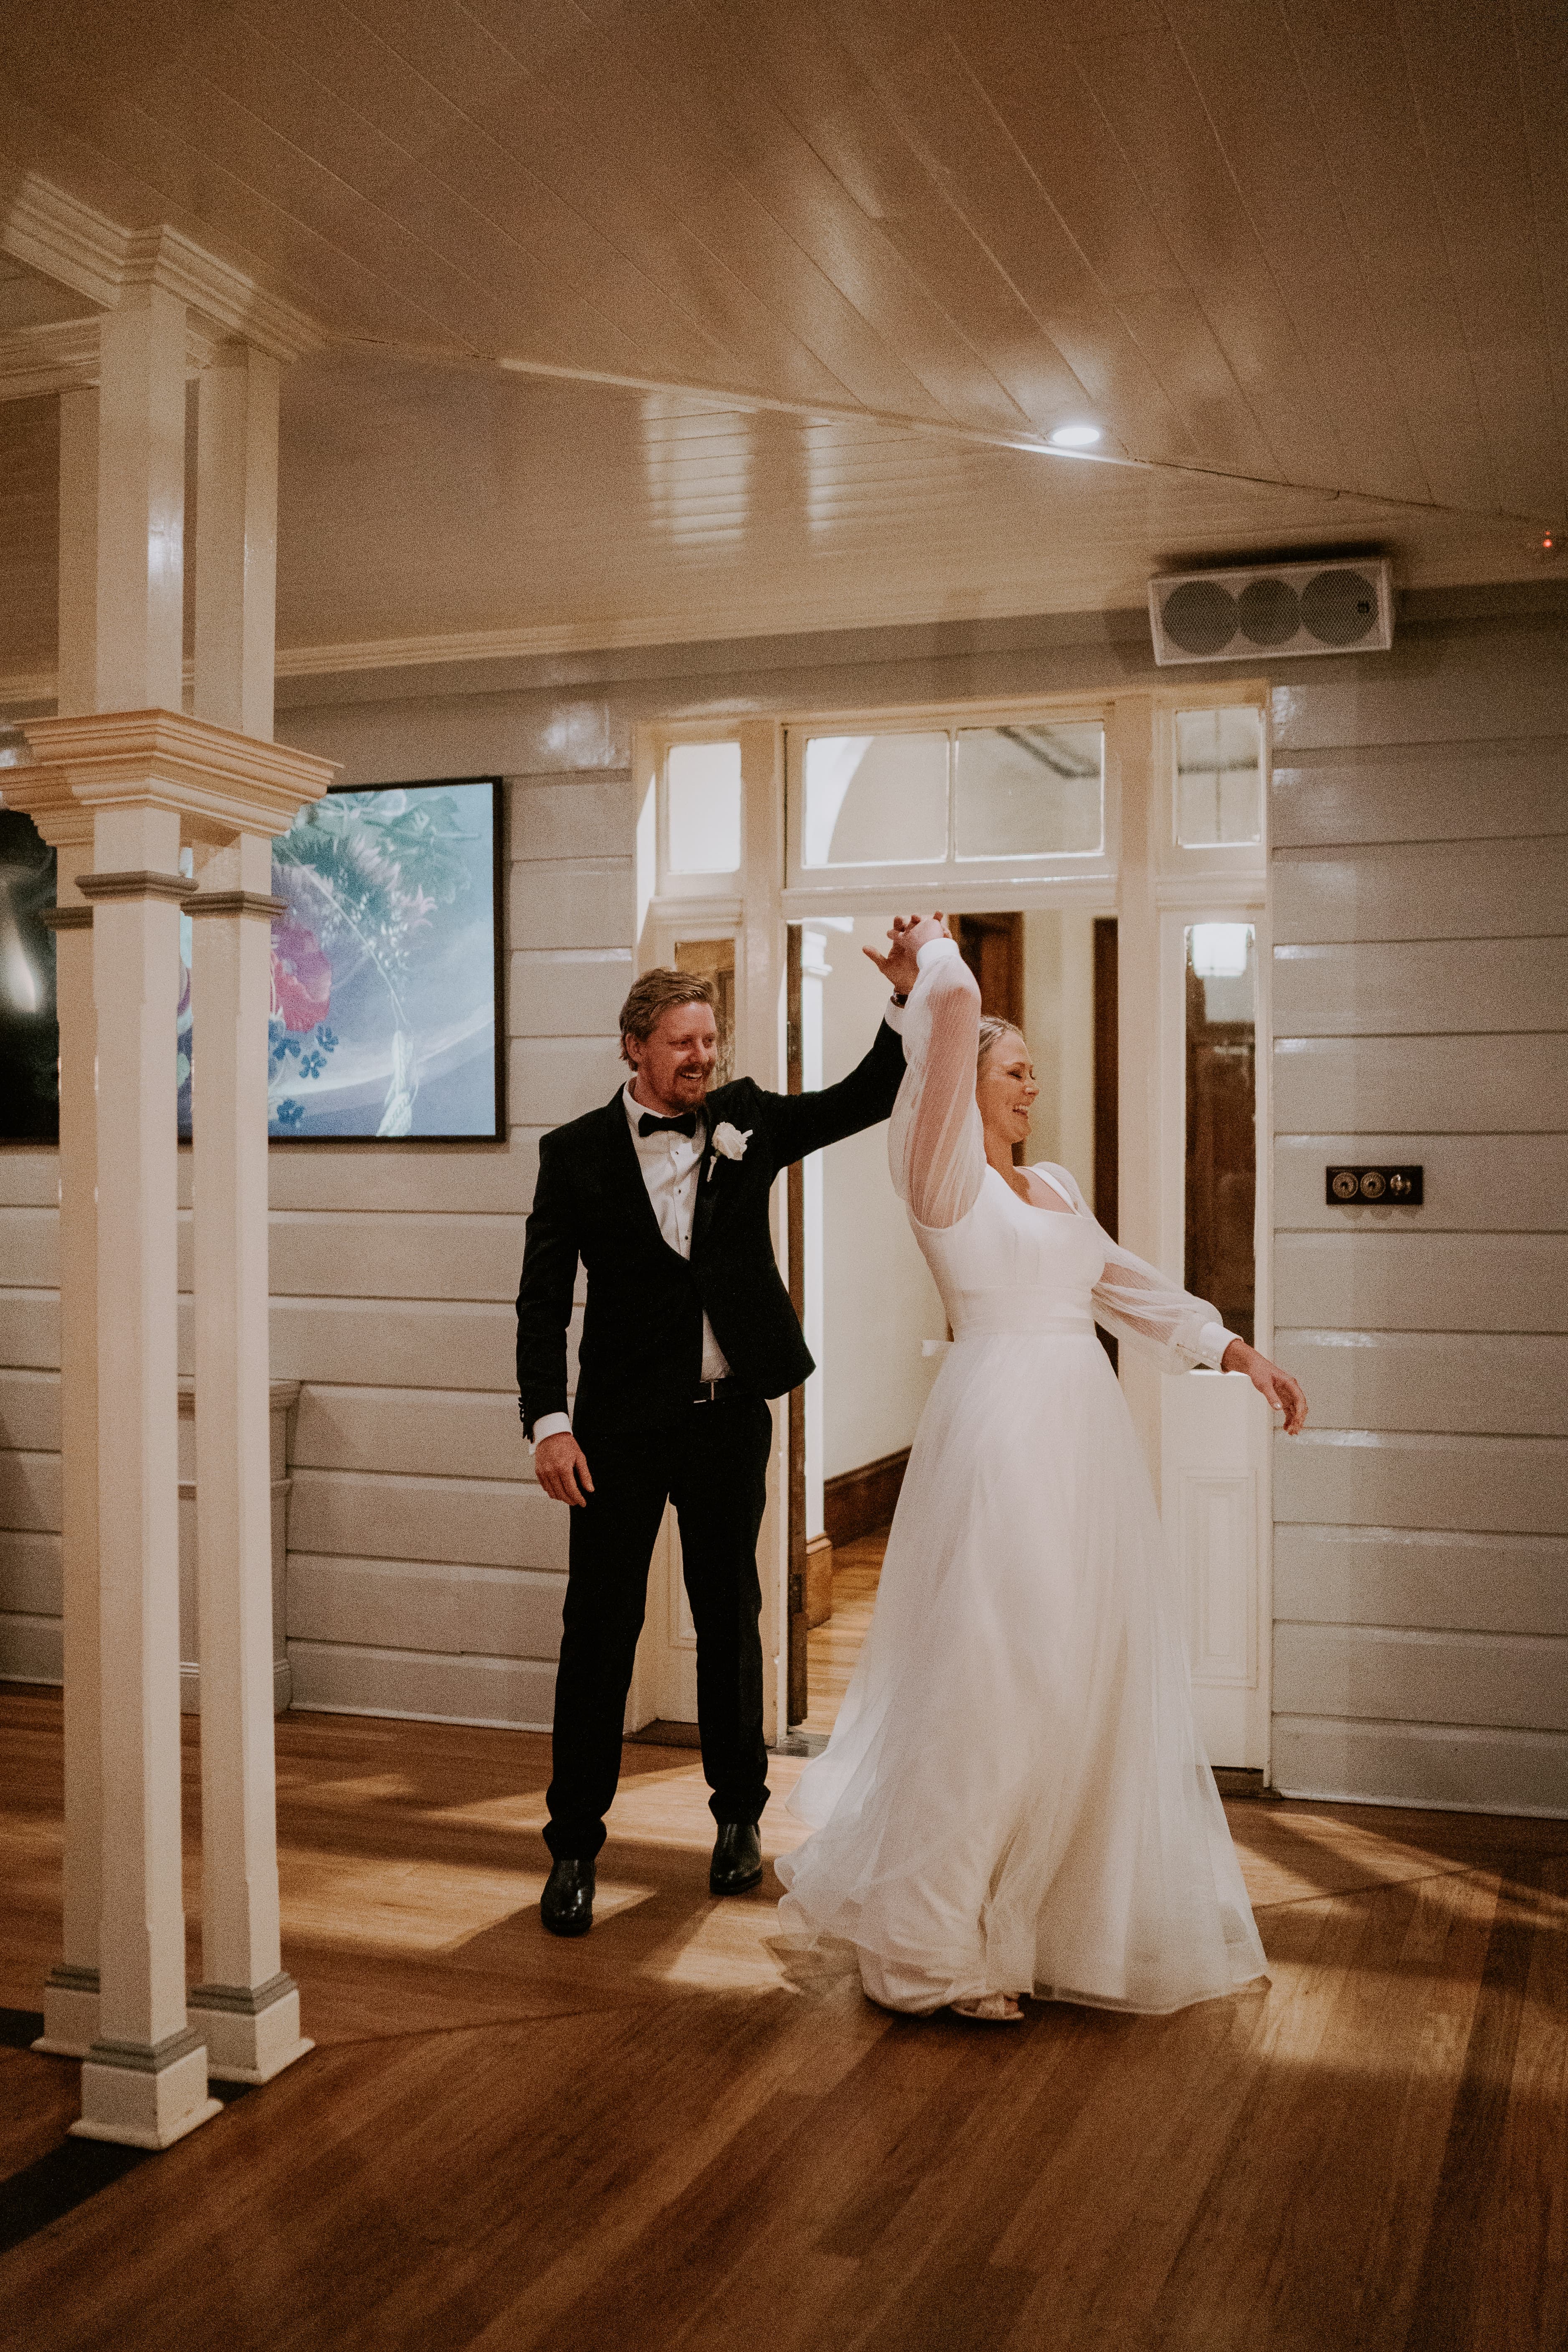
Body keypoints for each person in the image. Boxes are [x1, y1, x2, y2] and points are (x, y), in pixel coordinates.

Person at [776, 916, 1308, 2022]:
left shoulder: (1056, 1185)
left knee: (1074, 1676)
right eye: (1017, 1071)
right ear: (959, 1082)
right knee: (993, 1680)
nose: (1033, 1087)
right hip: (1000, 1441)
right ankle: (927, 1947)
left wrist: (1232, 1347)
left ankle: (1052, 1922)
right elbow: (958, 1016)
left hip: (1083, 1446)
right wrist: (934, 964)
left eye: (1032, 1074)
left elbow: (1126, 1284)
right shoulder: (938, 1177)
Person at [516, 944, 922, 1937]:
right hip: (611, 1430)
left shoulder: (748, 1119)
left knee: (732, 1622)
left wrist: (907, 993)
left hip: (728, 1419)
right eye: (680, 1043)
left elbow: (867, 1094)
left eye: (708, 1040)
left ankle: (739, 1818)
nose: (700, 1057)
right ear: (634, 1049)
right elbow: (540, 1304)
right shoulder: (572, 1153)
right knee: (598, 1636)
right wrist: (549, 1422)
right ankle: (574, 1847)